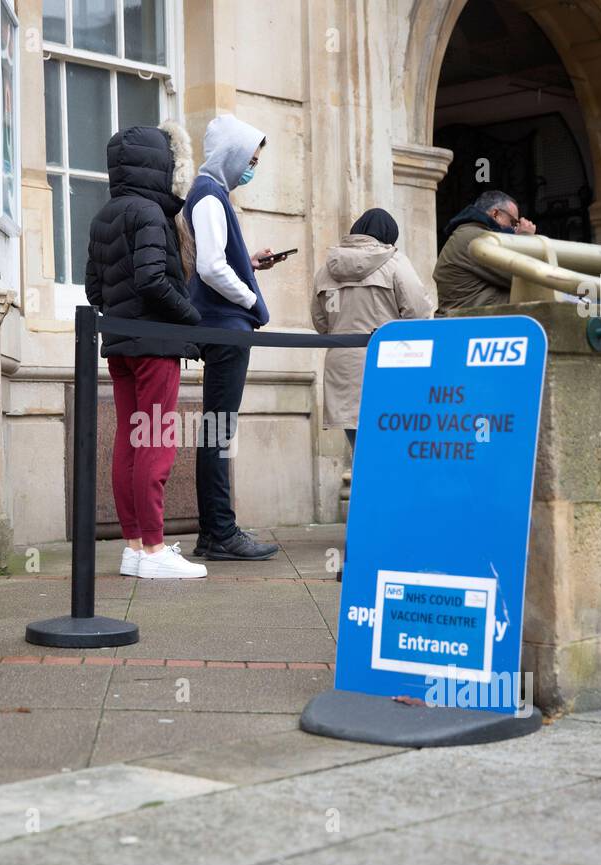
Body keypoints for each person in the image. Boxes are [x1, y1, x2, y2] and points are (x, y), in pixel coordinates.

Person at [85, 123, 208, 579]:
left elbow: (92, 288)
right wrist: (193, 320)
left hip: (119, 345)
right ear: (158, 165)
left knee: (129, 444)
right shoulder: (151, 214)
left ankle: (135, 546)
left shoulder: (104, 215)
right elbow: (153, 280)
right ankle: (154, 550)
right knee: (155, 442)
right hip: (156, 345)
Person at [184, 115, 284, 561]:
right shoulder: (208, 195)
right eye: (251, 160)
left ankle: (214, 533)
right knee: (219, 432)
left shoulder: (213, 195)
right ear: (233, 156)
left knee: (216, 430)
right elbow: (209, 267)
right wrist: (250, 300)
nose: (252, 168)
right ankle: (221, 532)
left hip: (222, 325)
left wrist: (251, 262)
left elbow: (218, 260)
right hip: (225, 328)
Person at [312, 209, 434, 449]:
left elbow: (320, 322)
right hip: (387, 364)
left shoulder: (326, 269)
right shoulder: (395, 262)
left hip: (342, 367)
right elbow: (418, 313)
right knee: (392, 450)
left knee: (361, 451)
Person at [433, 189, 536, 314]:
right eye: (513, 222)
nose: (514, 229)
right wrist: (525, 238)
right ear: (495, 214)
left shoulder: (468, 233)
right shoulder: (477, 239)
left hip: (471, 321)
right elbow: (523, 277)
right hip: (476, 325)